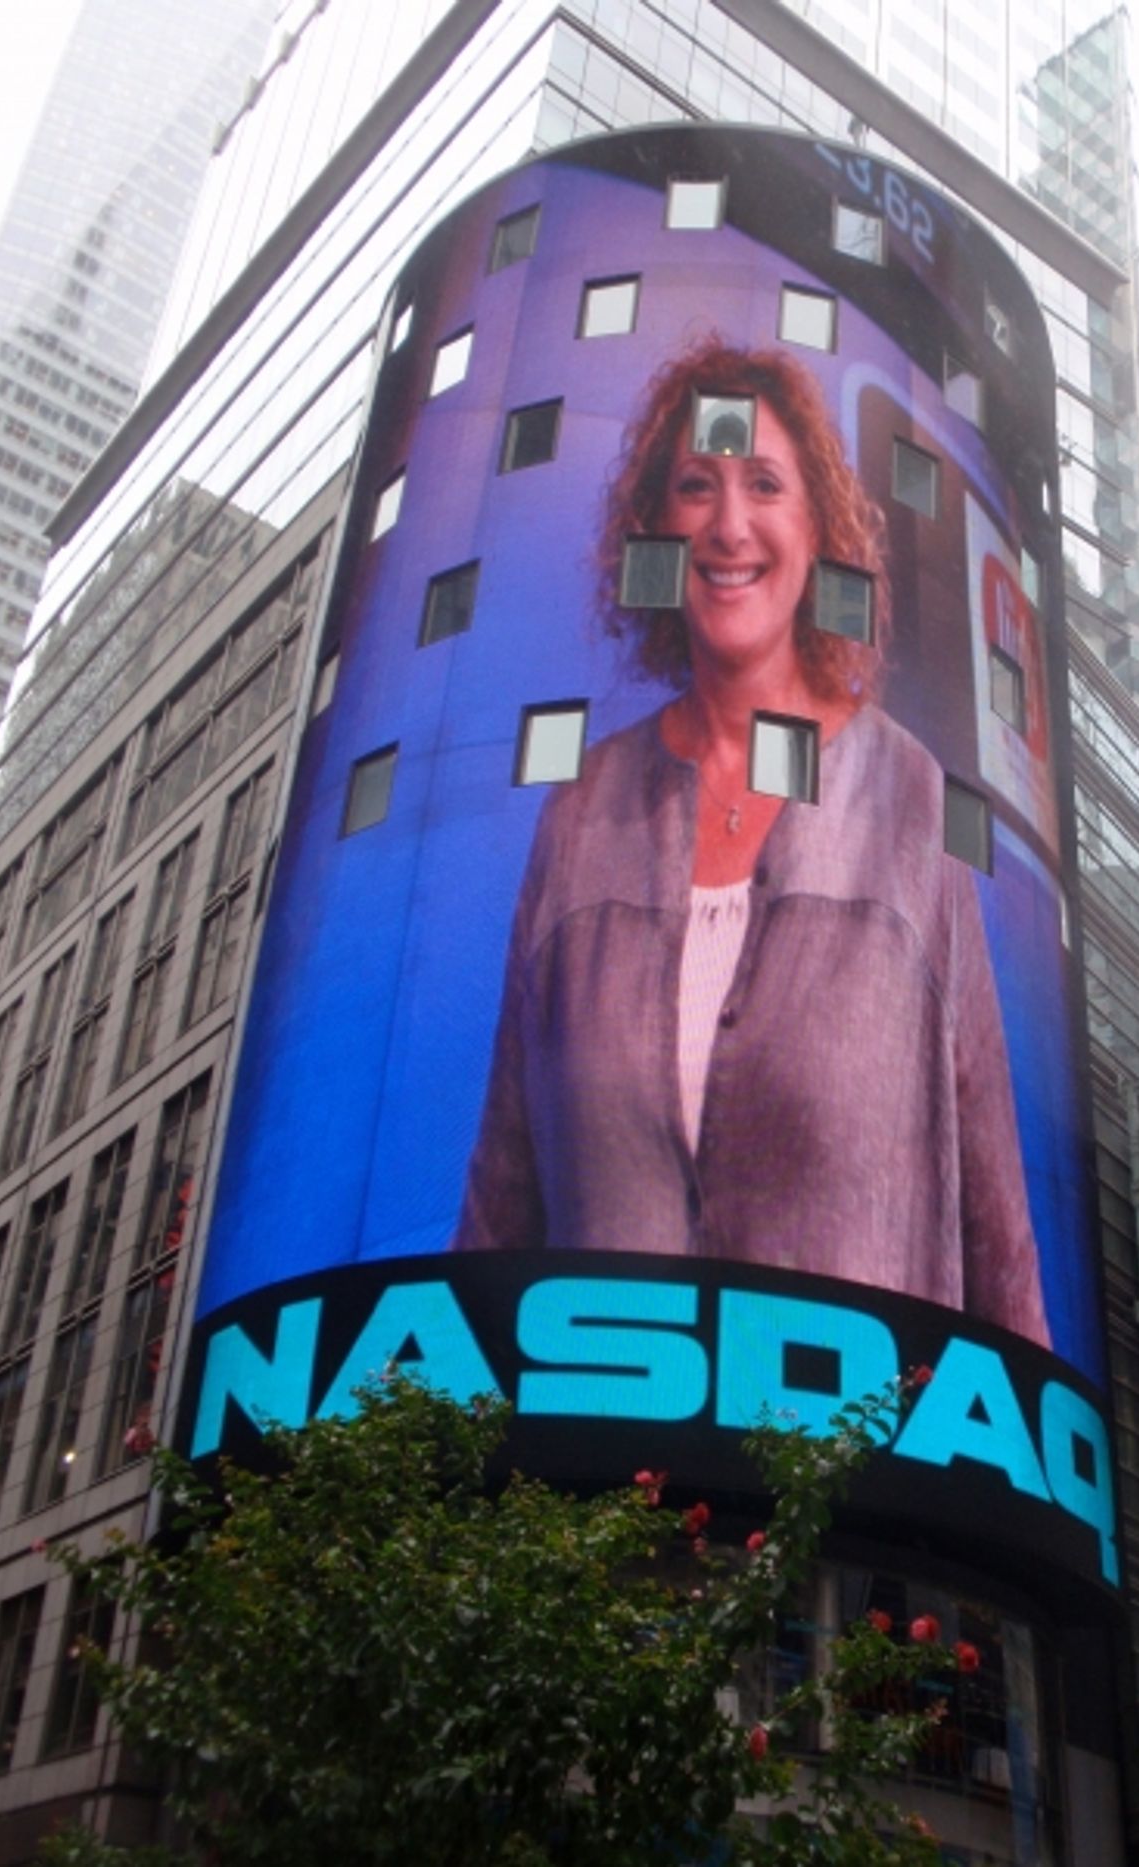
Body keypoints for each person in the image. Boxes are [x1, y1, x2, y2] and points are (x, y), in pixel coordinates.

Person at [455, 337, 1049, 1346]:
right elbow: (501, 1193)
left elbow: (990, 1200)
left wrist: (1029, 1416)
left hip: (855, 1439)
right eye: (697, 485)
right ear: (654, 531)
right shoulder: (582, 811)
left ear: (817, 529)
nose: (729, 526)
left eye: (765, 484)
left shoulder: (908, 796)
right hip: (603, 1433)